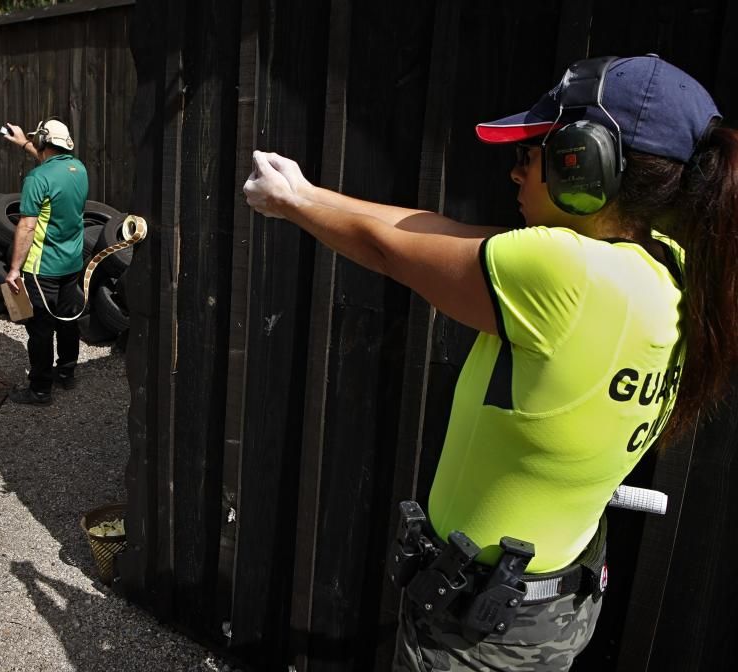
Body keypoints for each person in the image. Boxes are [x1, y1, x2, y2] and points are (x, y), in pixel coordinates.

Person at [243, 55, 738, 671]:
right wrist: (308, 192)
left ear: (581, 163)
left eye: (532, 153)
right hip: (552, 602)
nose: (515, 171)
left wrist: (289, 205)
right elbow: (442, 233)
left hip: (481, 633)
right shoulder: (669, 266)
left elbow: (390, 250)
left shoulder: (569, 274)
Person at [1, 118, 88, 405]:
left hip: (43, 268)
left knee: (40, 329)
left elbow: (26, 226)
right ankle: (66, 372)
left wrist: (14, 269)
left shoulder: (37, 179)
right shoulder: (78, 170)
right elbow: (52, 165)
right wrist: (23, 143)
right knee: (67, 319)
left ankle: (39, 389)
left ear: (42, 141)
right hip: (72, 262)